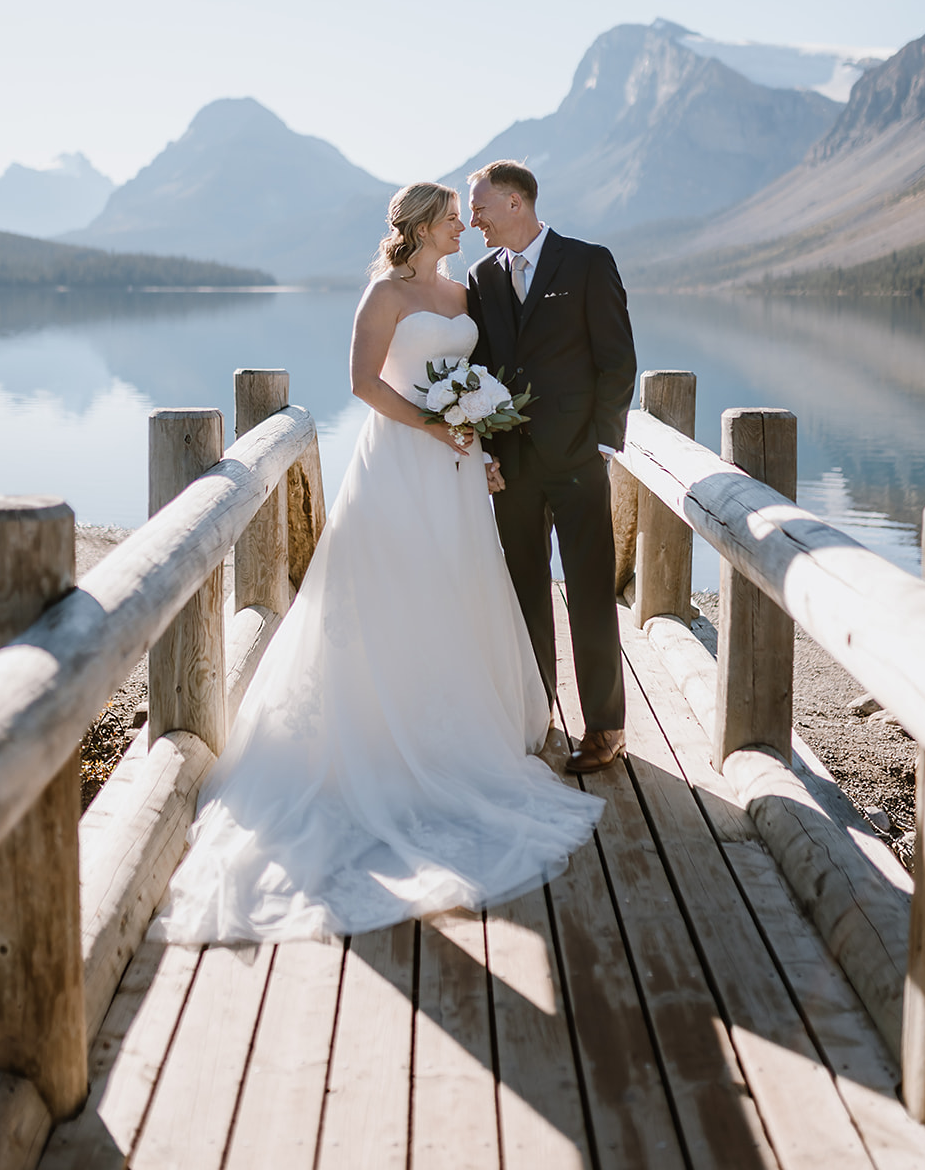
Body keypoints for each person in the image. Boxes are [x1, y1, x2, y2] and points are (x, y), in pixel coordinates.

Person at [151, 182, 602, 944]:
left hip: (457, 469)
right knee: (390, 588)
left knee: (454, 589)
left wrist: (480, 441)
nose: (466, 222)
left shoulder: (464, 294)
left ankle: (457, 729)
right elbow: (362, 384)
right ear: (424, 224)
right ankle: (384, 739)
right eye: (455, 215)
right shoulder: (383, 295)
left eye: (469, 213)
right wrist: (435, 422)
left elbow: (477, 380)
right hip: (400, 459)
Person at [466, 162, 637, 774]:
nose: (473, 219)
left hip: (578, 461)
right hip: (510, 467)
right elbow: (479, 370)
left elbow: (618, 360)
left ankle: (605, 728)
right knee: (523, 596)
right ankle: (536, 717)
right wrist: (486, 450)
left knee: (591, 593)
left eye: (481, 206)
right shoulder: (481, 276)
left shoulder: (588, 262)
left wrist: (604, 445)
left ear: (516, 202)